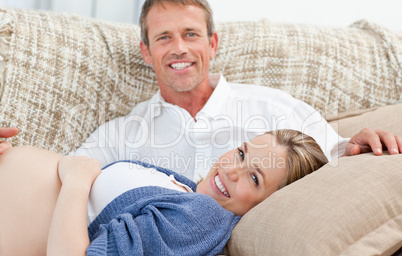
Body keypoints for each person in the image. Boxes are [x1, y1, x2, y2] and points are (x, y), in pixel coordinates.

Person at [64, 0, 402, 183]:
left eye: (191, 34)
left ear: (212, 44)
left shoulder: (273, 108)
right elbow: (64, 171)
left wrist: (358, 146)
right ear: (145, 51)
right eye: (164, 37)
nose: (179, 48)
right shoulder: (125, 132)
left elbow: (330, 154)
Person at [0, 129, 327, 256]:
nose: (231, 169)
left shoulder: (201, 219)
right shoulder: (184, 189)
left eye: (254, 178)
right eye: (241, 152)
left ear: (268, 203)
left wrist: (75, 181)